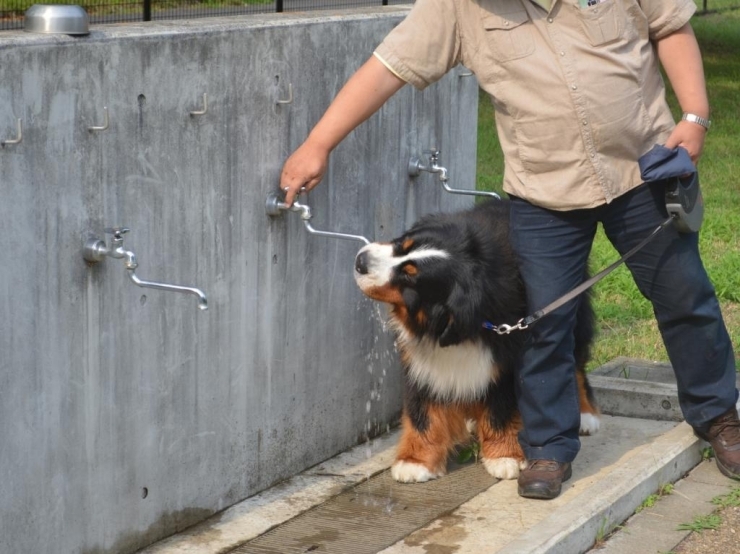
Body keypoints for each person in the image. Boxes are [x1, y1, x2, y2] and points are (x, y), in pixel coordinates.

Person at [280, 0, 740, 499]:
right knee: (544, 320)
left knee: (685, 299)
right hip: (544, 191)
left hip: (643, 168)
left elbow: (670, 26)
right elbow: (387, 68)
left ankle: (720, 418)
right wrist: (318, 143)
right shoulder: (457, 7)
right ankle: (547, 448)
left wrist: (695, 114)